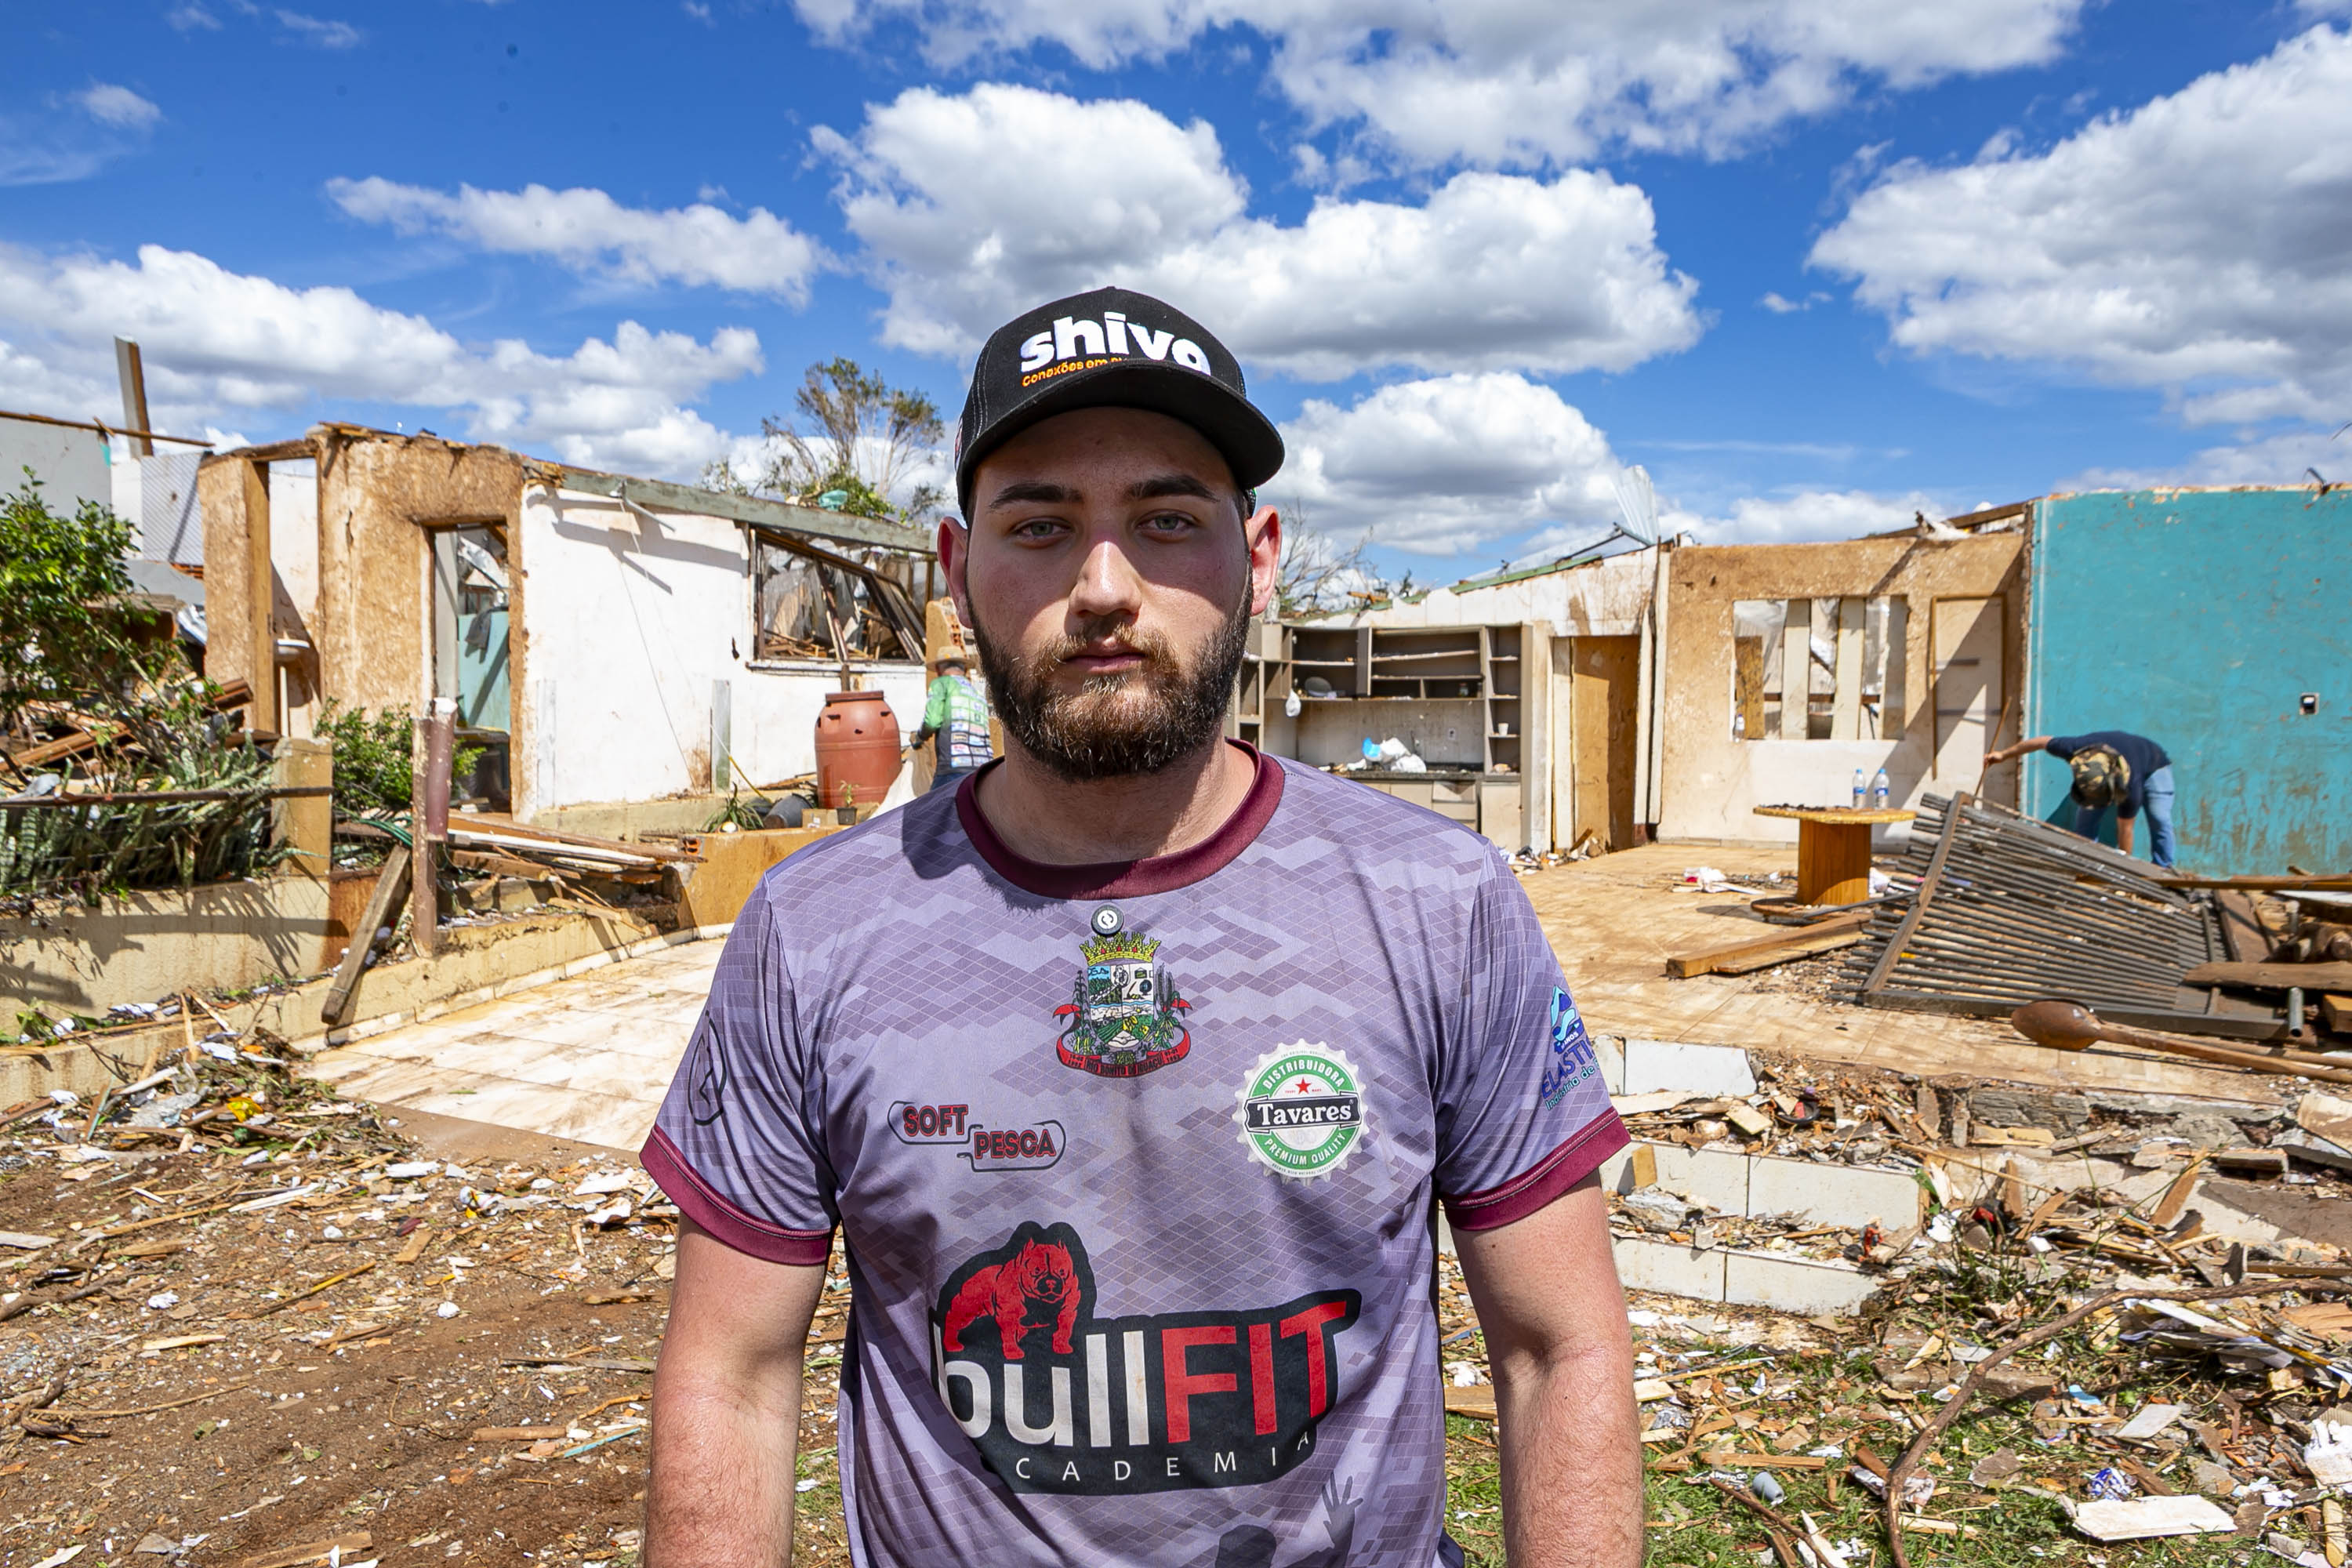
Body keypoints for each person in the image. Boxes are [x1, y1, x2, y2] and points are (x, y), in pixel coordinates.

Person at [641, 286, 1640, 1568]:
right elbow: (731, 1374)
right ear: (956, 572)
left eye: (1167, 521)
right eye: (1041, 525)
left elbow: (1562, 1351)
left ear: (1260, 558)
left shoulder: (1440, 904)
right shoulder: (816, 932)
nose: (1106, 587)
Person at [1984, 728, 2176, 867]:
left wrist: (2126, 869)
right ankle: (2085, 864)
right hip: (2114, 765)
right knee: (2085, 819)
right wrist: (2003, 754)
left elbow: (2126, 829)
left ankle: (2164, 867)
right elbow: (2041, 742)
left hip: (2153, 766)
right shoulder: (2073, 748)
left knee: (2159, 817)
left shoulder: (2129, 784)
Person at [912, 652, 993, 793]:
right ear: (964, 670)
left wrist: (920, 737)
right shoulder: (976, 693)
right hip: (983, 769)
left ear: (938, 670)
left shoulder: (942, 683)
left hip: (954, 766)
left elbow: (932, 721)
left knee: (934, 810)